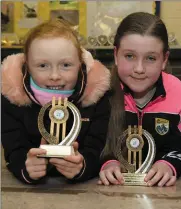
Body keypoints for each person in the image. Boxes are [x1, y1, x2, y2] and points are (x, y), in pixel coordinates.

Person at [1, 19, 111, 184]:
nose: (54, 76)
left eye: (66, 65)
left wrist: (83, 166)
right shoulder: (12, 98)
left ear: (80, 65)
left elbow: (97, 148)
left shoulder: (96, 98)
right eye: (43, 66)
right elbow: (13, 149)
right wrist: (26, 167)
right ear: (28, 67)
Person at [98, 12, 181, 187]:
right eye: (130, 56)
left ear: (164, 60)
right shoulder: (101, 92)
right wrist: (107, 163)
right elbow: (92, 144)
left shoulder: (180, 94)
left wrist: (169, 165)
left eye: (150, 58)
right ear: (116, 54)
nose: (139, 69)